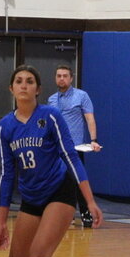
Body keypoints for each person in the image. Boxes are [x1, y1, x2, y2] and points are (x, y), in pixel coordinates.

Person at [0, 65, 103, 257]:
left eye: (30, 81)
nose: (24, 85)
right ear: (11, 88)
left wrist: (90, 201)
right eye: (19, 81)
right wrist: (1, 222)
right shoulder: (5, 126)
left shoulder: (50, 116)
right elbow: (7, 174)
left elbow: (71, 158)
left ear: (38, 89)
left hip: (58, 191)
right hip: (31, 196)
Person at [47, 65, 102, 228]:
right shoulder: (51, 100)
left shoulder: (81, 96)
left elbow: (90, 118)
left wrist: (94, 139)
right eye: (58, 76)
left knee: (78, 180)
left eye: (65, 76)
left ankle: (86, 214)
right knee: (58, 182)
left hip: (75, 147)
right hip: (56, 148)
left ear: (71, 78)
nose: (61, 78)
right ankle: (65, 214)